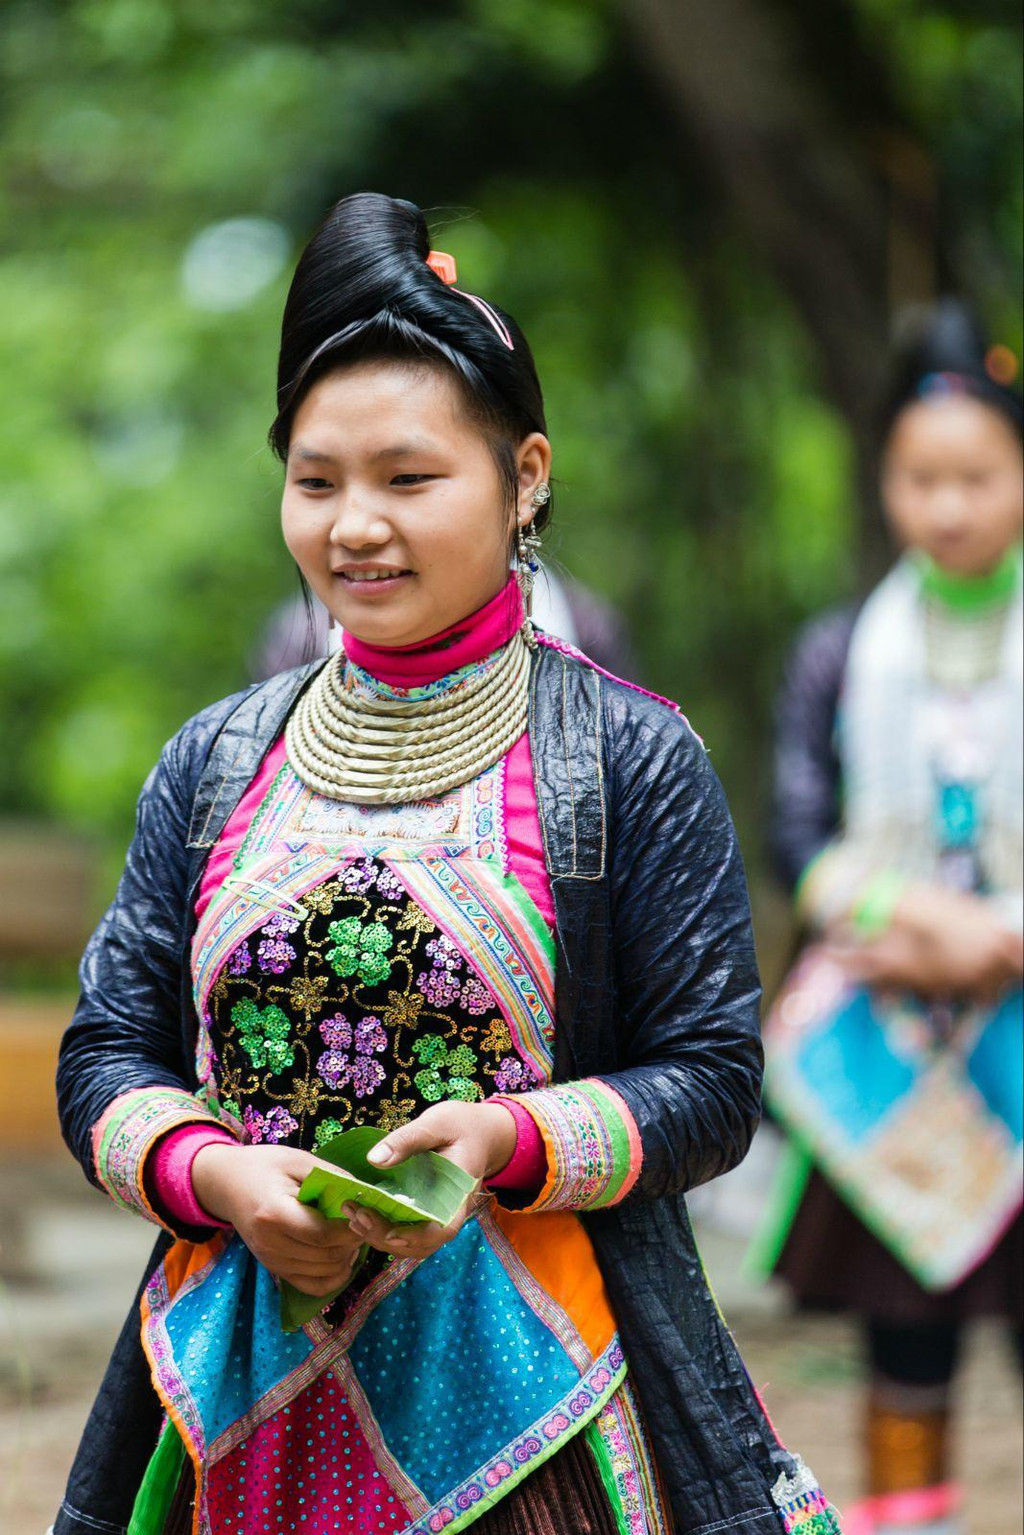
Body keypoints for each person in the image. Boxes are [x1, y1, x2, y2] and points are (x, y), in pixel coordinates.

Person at [55, 192, 839, 1535]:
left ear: (525, 473)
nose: (354, 524)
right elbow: (107, 1052)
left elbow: (712, 1080)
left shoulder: (631, 758)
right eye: (316, 481)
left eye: (409, 479)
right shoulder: (214, 759)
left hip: (540, 1398)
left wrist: (502, 1138)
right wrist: (218, 1175)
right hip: (240, 1396)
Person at [760, 301, 1023, 1535]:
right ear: (887, 482)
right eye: (923, 479)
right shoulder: (836, 652)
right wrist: (910, 914)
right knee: (904, 1318)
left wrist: (998, 937)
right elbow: (798, 831)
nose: (950, 506)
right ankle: (906, 1518)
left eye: (976, 476)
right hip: (891, 1025)